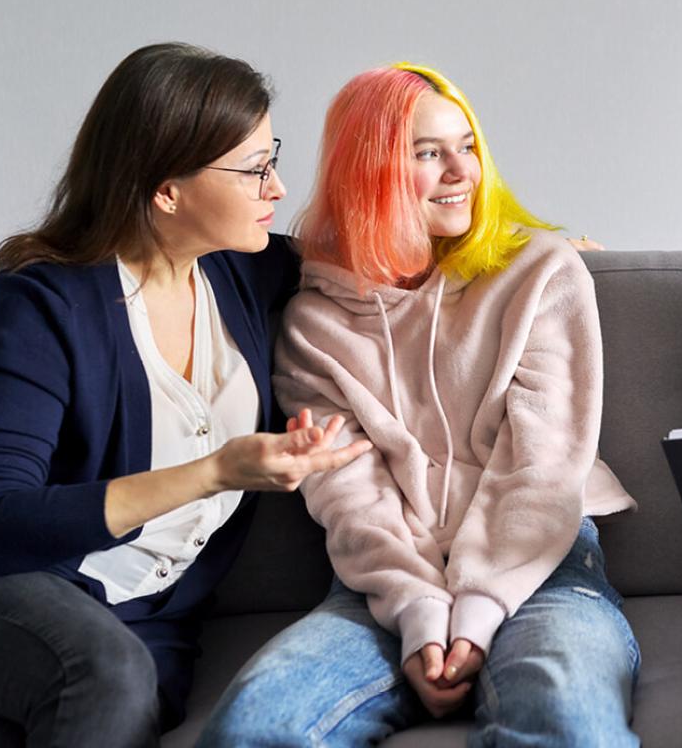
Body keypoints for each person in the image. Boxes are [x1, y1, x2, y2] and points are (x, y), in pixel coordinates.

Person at [0, 43, 371, 746]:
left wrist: (532, 247)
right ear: (168, 191)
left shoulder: (238, 275)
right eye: (254, 170)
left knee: (46, 716)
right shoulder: (43, 306)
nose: (279, 189)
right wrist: (214, 472)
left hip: (151, 624)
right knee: (104, 674)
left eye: (271, 157)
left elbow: (379, 242)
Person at [199, 63, 640, 746]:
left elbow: (542, 465)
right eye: (429, 153)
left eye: (467, 147)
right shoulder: (312, 326)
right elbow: (349, 492)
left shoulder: (540, 273)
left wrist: (481, 607)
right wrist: (417, 615)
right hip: (383, 585)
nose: (463, 170)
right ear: (369, 169)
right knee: (255, 724)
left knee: (566, 724)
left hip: (542, 563)